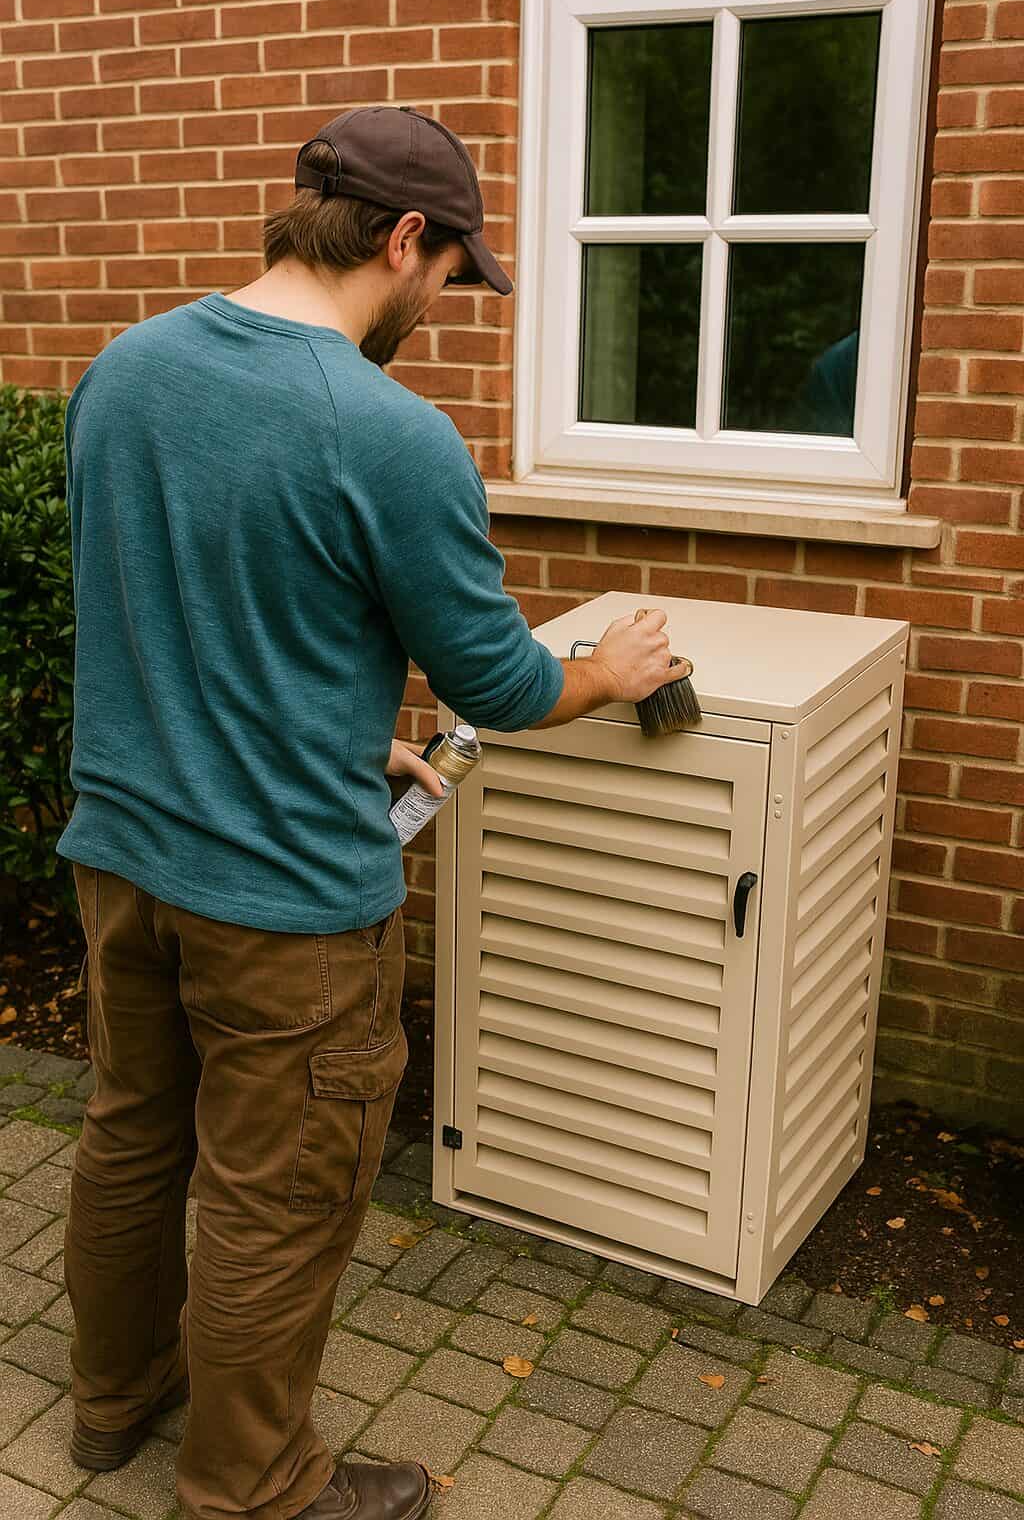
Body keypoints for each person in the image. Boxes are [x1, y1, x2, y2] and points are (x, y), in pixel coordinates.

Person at [55, 104, 691, 1520]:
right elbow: (503, 683)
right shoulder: (388, 432)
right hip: (286, 912)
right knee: (277, 1200)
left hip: (123, 864)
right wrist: (610, 671)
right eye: (450, 276)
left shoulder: (123, 371)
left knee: (131, 1134)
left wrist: (349, 747)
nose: (440, 306)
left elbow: (185, 612)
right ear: (405, 238)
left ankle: (111, 1402)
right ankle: (254, 1489)